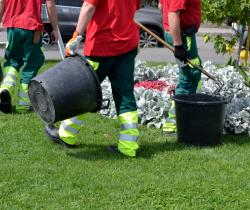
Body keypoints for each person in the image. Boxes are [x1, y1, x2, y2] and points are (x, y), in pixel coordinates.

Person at [45, 0, 141, 157]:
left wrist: (76, 35)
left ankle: (66, 135)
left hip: (100, 46)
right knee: (125, 95)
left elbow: (89, 6)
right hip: (127, 45)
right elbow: (131, 10)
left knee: (84, 90)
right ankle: (128, 145)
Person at [0, 0, 58, 113]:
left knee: (12, 61)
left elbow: (2, 2)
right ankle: (23, 105)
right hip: (32, 27)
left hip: (12, 26)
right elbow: (50, 5)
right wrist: (54, 28)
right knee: (31, 64)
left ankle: (5, 88)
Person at [158, 0, 202, 135]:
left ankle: (188, 114)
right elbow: (172, 14)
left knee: (193, 73)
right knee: (190, 77)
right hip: (183, 38)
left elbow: (161, 6)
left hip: (181, 35)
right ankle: (173, 123)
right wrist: (178, 45)